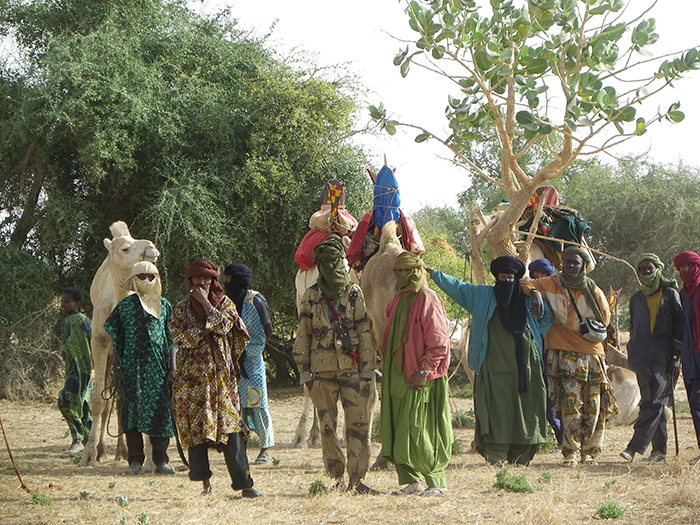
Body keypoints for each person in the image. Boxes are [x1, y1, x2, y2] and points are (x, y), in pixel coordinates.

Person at [429, 256, 551, 469]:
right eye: (503, 278)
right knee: (495, 406)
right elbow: (457, 286)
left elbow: (547, 315)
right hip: (492, 362)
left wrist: (536, 334)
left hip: (526, 364)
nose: (507, 282)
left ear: (517, 278)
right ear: (496, 277)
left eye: (511, 278)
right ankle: (496, 454)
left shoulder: (527, 297)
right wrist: (432, 273)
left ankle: (521, 455)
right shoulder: (481, 296)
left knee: (525, 406)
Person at [169, 259, 261, 497]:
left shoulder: (226, 304)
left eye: (206, 279)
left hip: (222, 381)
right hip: (192, 382)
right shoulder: (180, 309)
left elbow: (225, 327)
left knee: (232, 431)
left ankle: (245, 485)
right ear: (190, 281)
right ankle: (204, 485)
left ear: (213, 280)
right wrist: (203, 330)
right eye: (196, 280)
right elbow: (179, 338)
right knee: (196, 433)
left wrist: (206, 306)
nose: (201, 283)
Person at [293, 235, 378, 494]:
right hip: (321, 372)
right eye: (325, 262)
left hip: (353, 369)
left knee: (359, 423)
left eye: (334, 261)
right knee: (326, 427)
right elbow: (303, 334)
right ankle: (337, 477)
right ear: (318, 265)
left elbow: (365, 330)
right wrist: (304, 372)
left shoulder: (353, 293)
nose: (331, 267)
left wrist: (367, 368)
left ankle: (357, 479)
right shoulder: (310, 296)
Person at [523, 246, 617, 467]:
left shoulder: (594, 291)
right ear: (562, 264)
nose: (572, 266)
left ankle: (590, 451)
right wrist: (536, 292)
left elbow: (604, 320)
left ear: (583, 266)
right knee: (569, 404)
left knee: (593, 405)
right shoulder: (551, 283)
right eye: (568, 262)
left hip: (592, 354)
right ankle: (571, 452)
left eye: (576, 263)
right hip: (563, 353)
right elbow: (524, 283)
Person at [381, 252, 452, 495]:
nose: (402, 276)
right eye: (398, 271)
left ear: (418, 271)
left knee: (423, 429)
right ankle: (411, 481)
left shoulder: (428, 299)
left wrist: (425, 369)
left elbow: (439, 341)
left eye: (407, 271)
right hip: (398, 375)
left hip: (422, 376)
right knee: (401, 429)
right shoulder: (398, 299)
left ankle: (435, 481)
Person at [104, 262, 175, 475]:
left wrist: (173, 368)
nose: (146, 280)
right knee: (131, 415)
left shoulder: (165, 306)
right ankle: (135, 461)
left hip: (159, 370)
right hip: (130, 370)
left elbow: (171, 340)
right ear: (133, 280)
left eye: (150, 276)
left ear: (157, 279)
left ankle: (161, 461)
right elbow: (117, 338)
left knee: (160, 415)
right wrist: (116, 367)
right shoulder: (124, 307)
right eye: (141, 276)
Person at [620, 254, 683, 463]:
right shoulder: (637, 298)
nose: (646, 272)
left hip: (665, 359)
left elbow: (680, 328)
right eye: (642, 269)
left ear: (658, 269)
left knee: (655, 402)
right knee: (651, 401)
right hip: (641, 358)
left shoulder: (671, 295)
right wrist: (632, 349)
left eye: (649, 268)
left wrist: (676, 356)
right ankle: (660, 451)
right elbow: (633, 326)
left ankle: (634, 447)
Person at [223, 263, 275, 464]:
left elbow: (267, 329)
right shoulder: (226, 301)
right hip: (231, 363)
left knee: (257, 403)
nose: (226, 282)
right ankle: (240, 447)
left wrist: (249, 350)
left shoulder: (255, 300)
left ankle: (264, 449)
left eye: (229, 278)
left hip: (252, 363)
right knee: (236, 407)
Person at [528, 258, 563, 446]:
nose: (540, 278)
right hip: (537, 352)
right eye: (536, 275)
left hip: (558, 349)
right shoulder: (529, 292)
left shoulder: (558, 290)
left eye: (543, 275)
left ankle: (562, 437)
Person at [58, 288, 92, 456]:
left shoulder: (82, 321)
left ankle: (79, 440)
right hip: (72, 370)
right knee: (79, 404)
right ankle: (86, 440)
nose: (63, 304)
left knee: (68, 401)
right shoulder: (66, 322)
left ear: (76, 304)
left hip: (82, 370)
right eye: (62, 301)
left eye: (67, 301)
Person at [673, 251, 700, 465]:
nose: (686, 272)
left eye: (689, 267)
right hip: (691, 355)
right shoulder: (683, 294)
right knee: (695, 402)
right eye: (682, 269)